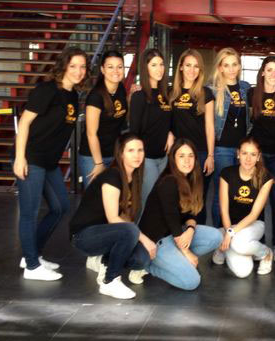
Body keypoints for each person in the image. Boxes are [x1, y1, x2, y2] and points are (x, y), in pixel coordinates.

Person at [13, 47, 88, 281]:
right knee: (29, 212)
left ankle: (31, 254)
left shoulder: (73, 96)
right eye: (73, 66)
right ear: (63, 66)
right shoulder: (47, 90)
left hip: (49, 162)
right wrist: (20, 158)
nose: (78, 71)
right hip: (32, 158)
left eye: (82, 67)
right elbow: (24, 123)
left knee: (61, 207)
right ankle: (32, 267)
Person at [68, 133, 157, 299]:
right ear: (121, 153)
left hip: (108, 233)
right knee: (131, 231)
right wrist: (144, 239)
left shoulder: (134, 177)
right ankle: (110, 281)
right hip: (84, 236)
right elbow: (113, 218)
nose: (137, 155)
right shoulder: (112, 176)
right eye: (131, 150)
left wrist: (138, 239)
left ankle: (101, 260)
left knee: (141, 260)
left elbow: (126, 217)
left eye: (140, 150)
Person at [139, 138, 222, 290]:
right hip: (158, 240)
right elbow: (171, 218)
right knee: (191, 282)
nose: (187, 161)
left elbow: (192, 213)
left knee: (216, 236)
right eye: (181, 156)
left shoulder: (191, 179)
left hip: (175, 234)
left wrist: (190, 229)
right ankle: (148, 266)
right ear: (173, 159)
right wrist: (186, 252)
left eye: (190, 156)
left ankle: (177, 260)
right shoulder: (168, 181)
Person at [215, 136, 275, 277]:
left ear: (258, 157)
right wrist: (228, 231)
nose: (248, 159)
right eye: (244, 153)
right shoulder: (227, 173)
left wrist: (231, 233)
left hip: (254, 225)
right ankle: (237, 247)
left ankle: (265, 253)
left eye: (253, 154)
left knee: (238, 243)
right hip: (229, 225)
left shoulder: (266, 178)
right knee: (243, 272)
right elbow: (224, 210)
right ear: (238, 154)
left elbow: (254, 215)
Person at [247, 55, 275, 262]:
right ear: (262, 72)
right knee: (257, 203)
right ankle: (259, 243)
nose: (273, 74)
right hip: (258, 158)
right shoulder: (252, 94)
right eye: (269, 69)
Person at [208, 48, 251, 229]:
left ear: (239, 66)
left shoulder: (245, 88)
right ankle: (219, 234)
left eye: (234, 64)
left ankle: (236, 232)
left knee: (239, 194)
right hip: (222, 150)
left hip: (242, 150)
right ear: (220, 68)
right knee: (222, 195)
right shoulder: (212, 90)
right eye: (226, 65)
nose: (231, 69)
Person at [170, 49, 215, 224]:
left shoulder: (206, 93)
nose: (192, 70)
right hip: (178, 154)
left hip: (200, 153)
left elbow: (209, 126)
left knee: (198, 199)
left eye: (196, 66)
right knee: (177, 196)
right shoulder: (171, 93)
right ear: (181, 67)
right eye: (188, 65)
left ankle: (198, 234)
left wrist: (210, 155)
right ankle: (177, 234)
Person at [129, 48, 174, 208]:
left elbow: (169, 120)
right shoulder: (139, 96)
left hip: (163, 157)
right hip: (147, 158)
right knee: (148, 202)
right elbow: (134, 132)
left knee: (158, 201)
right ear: (145, 68)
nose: (159, 69)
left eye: (161, 64)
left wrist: (170, 132)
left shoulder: (167, 94)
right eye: (154, 65)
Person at [79, 50, 128, 188]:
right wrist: (99, 163)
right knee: (95, 198)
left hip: (113, 154)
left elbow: (120, 112)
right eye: (110, 67)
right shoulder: (96, 96)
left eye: (119, 67)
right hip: (93, 157)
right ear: (102, 69)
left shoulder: (121, 89)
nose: (116, 71)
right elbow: (91, 133)